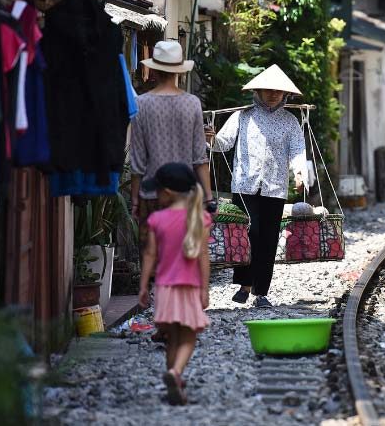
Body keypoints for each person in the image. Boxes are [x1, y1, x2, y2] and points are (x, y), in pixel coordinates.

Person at [209, 64, 308, 308]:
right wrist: (210, 138)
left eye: (277, 91)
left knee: (268, 238)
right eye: (268, 90)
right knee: (248, 234)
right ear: (258, 92)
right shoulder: (242, 116)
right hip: (245, 184)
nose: (273, 95)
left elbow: (297, 150)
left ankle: (261, 292)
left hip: (274, 188)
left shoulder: (290, 122)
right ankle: (244, 284)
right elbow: (224, 143)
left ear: (285, 94)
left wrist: (299, 172)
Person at [129, 40, 216, 252]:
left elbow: (137, 160)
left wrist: (134, 199)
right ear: (179, 71)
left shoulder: (141, 103)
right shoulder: (192, 103)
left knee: (154, 259)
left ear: (155, 70)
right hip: (185, 197)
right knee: (182, 258)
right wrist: (209, 197)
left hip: (152, 194)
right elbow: (199, 157)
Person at [138, 163, 212, 406]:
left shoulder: (157, 219)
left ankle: (174, 380)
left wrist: (142, 286)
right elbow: (203, 256)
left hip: (165, 289)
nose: (156, 197)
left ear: (167, 193)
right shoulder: (200, 218)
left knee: (171, 338)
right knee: (188, 337)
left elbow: (150, 254)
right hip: (189, 288)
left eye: (157, 191)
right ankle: (176, 373)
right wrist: (204, 289)